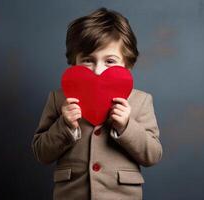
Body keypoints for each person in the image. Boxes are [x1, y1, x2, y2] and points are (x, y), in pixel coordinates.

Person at [31, 7, 163, 200]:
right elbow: (41, 153)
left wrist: (126, 126)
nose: (98, 70)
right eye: (88, 60)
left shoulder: (141, 101)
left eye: (110, 61)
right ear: (74, 61)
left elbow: (153, 155)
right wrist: (65, 126)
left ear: (127, 63)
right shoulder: (58, 99)